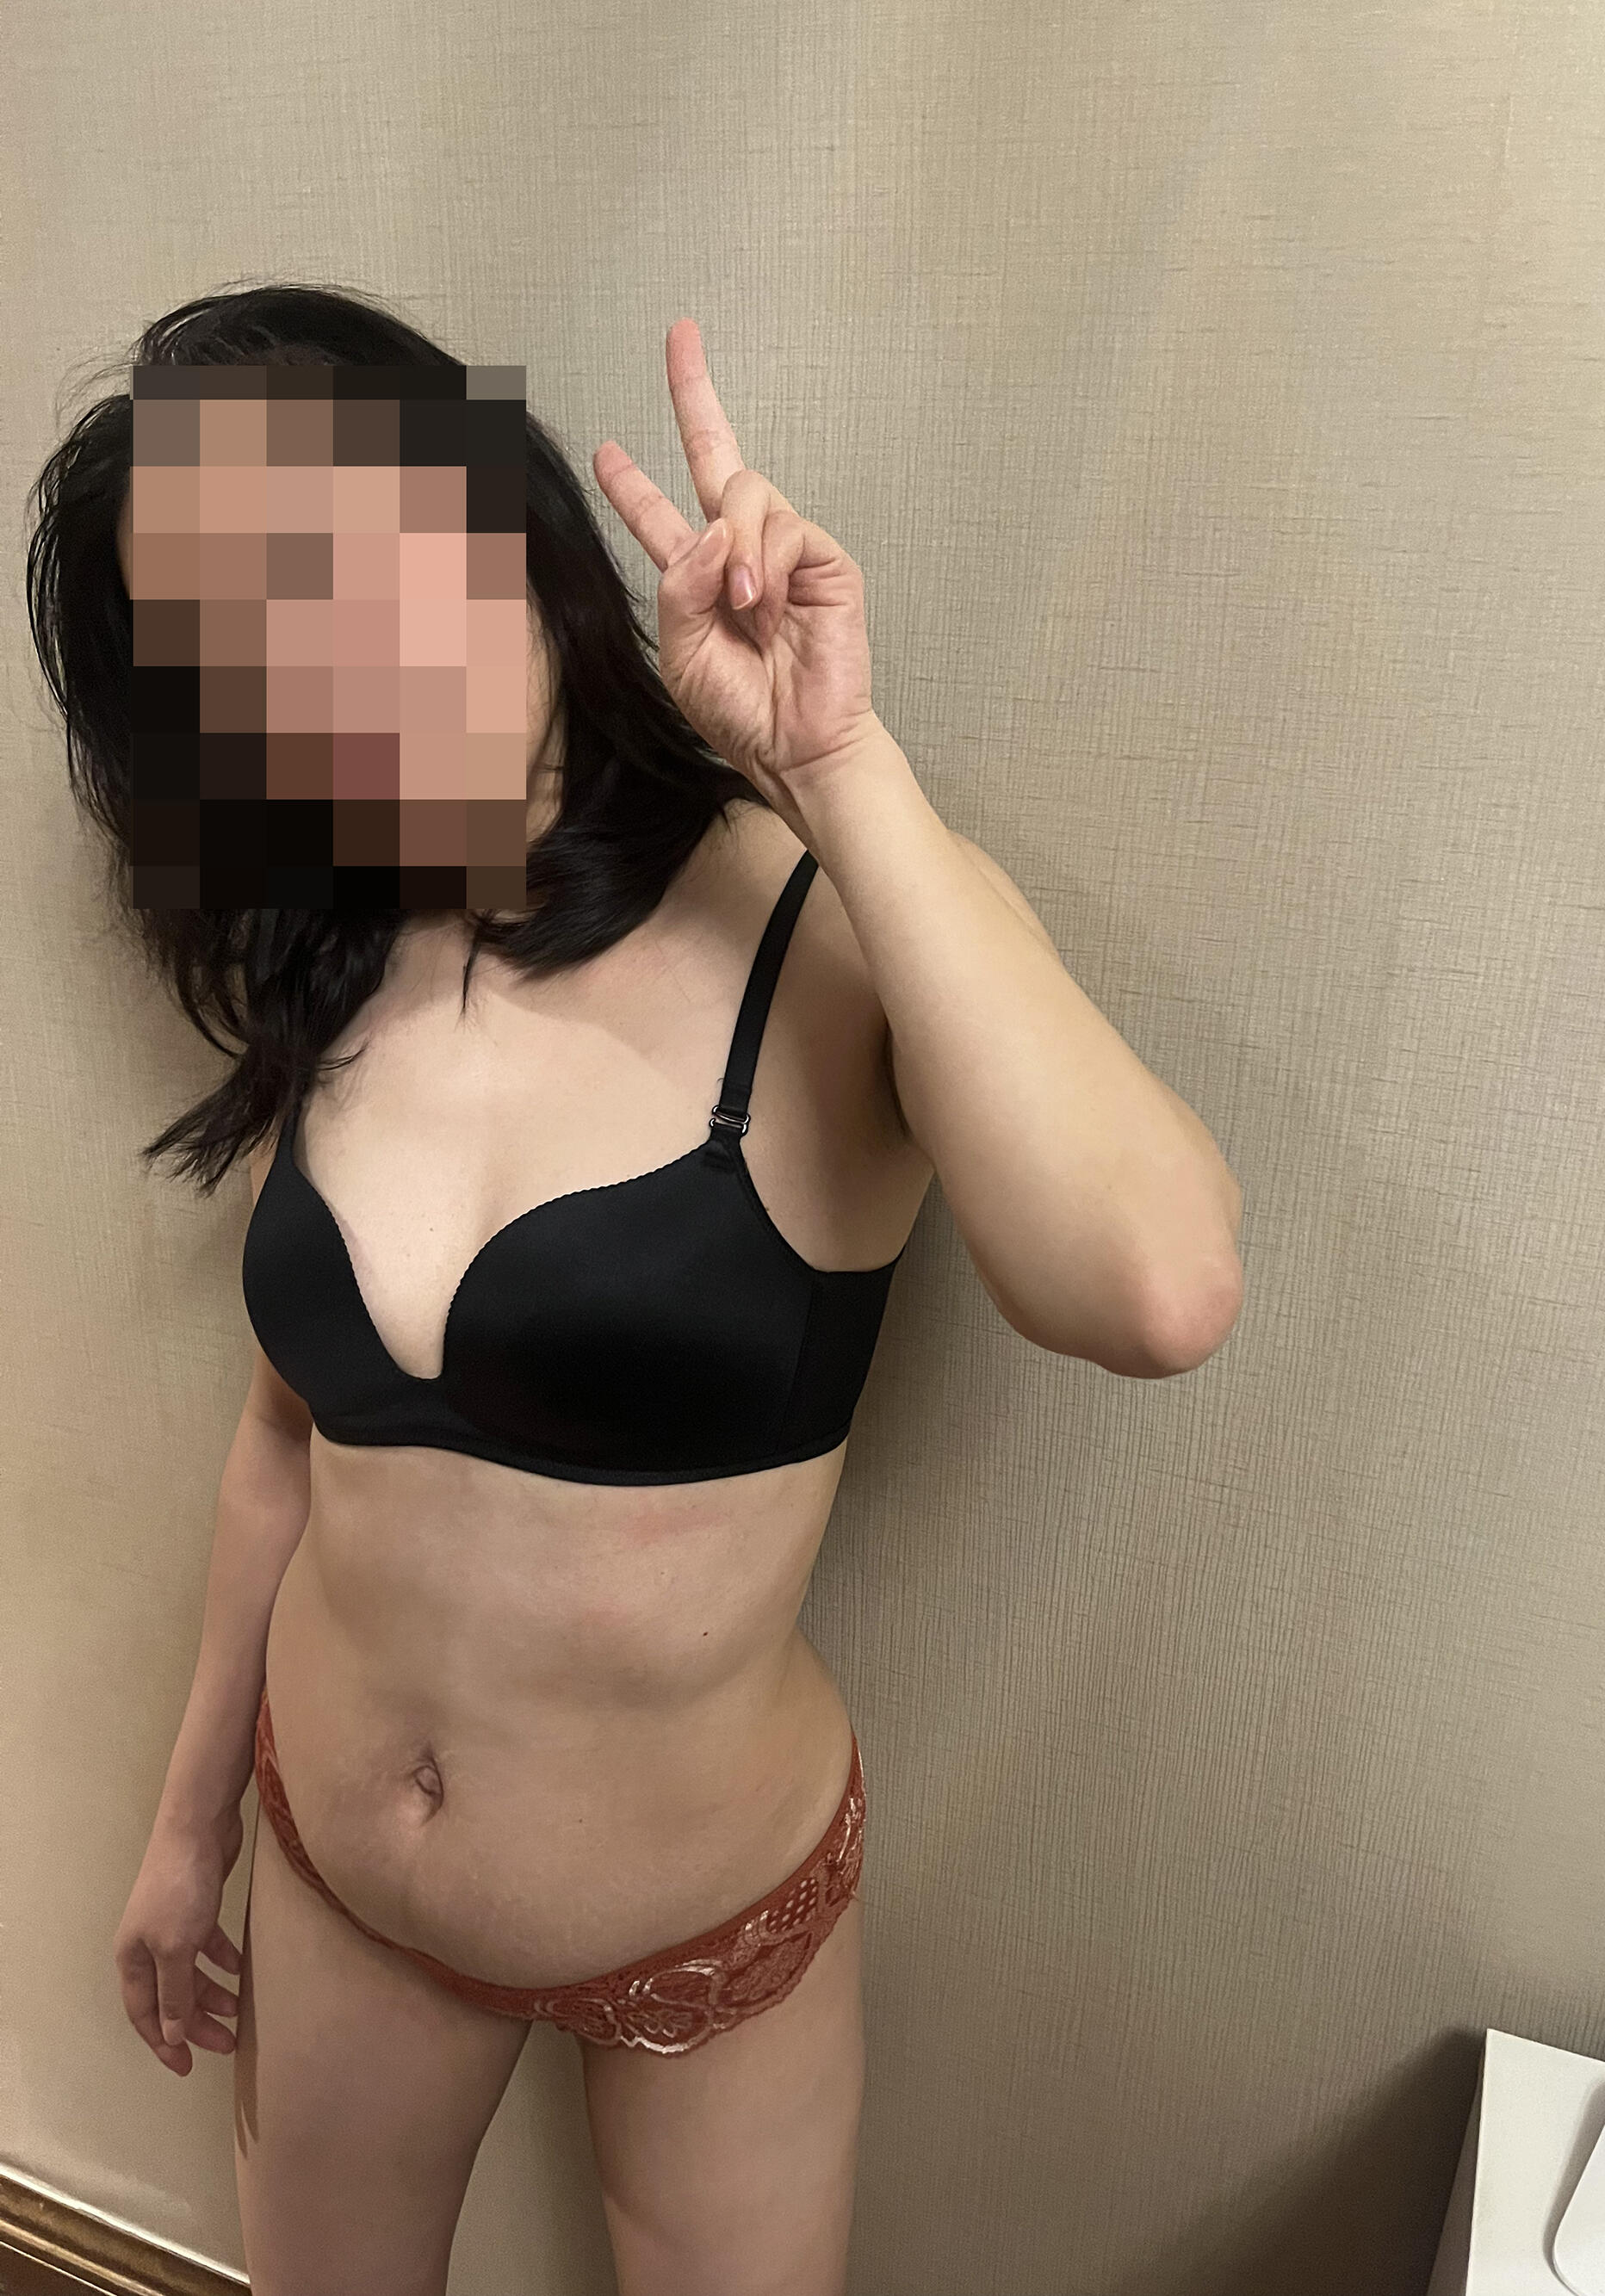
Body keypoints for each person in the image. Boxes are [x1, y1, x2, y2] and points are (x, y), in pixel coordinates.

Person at [24, 282, 1245, 2296]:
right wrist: (185, 1829)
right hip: (336, 1877)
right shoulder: (337, 952)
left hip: (705, 1923)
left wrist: (837, 761)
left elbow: (1156, 1285)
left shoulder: (823, 930)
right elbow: (283, 1441)